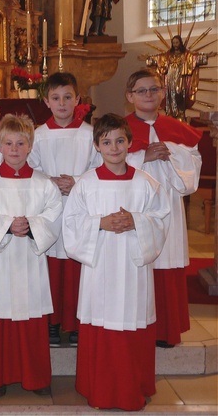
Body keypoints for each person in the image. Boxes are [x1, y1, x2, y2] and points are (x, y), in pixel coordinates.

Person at [63, 113, 170, 411]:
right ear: (96, 145)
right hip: (100, 269)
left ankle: (132, 385)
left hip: (133, 268)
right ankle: (99, 387)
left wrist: (136, 221)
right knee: (101, 322)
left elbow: (161, 219)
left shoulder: (145, 182)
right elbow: (70, 225)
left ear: (130, 143)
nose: (114, 147)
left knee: (131, 321)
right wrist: (101, 223)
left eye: (120, 141)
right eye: (106, 142)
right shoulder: (85, 184)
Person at [0, 114, 63, 398]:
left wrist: (32, 226)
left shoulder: (45, 184)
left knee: (30, 316)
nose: (14, 149)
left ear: (30, 146)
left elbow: (53, 215)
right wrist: (7, 225)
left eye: (20, 143)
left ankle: (35, 377)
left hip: (29, 261)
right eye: (8, 143)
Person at [125, 69, 202, 348]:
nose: (148, 95)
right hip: (135, 206)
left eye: (154, 89)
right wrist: (142, 155)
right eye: (142, 90)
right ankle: (136, 327)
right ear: (130, 96)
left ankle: (166, 331)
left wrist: (172, 150)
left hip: (168, 203)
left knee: (166, 261)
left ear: (163, 93)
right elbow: (106, 162)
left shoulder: (176, 128)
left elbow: (192, 168)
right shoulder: (119, 129)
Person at [28, 72, 101, 347]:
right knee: (52, 268)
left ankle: (76, 323)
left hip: (80, 208)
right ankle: (53, 323)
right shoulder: (38, 135)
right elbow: (30, 170)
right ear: (46, 101)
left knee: (76, 268)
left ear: (77, 100)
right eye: (56, 98)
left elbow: (98, 168)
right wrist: (51, 183)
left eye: (67, 97)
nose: (62, 103)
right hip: (50, 210)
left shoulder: (90, 134)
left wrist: (77, 182)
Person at [146, 35, 210, 121]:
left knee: (179, 93)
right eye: (173, 43)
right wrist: (149, 59)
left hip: (180, 78)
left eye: (177, 42)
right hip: (169, 78)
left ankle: (180, 114)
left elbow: (195, 58)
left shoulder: (186, 55)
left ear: (180, 43)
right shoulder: (168, 55)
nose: (175, 44)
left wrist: (206, 56)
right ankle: (170, 114)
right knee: (169, 95)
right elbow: (159, 59)